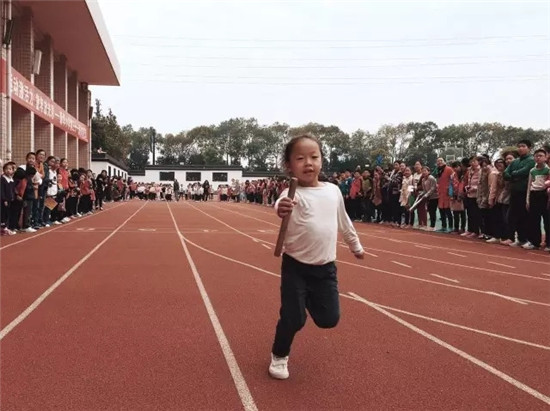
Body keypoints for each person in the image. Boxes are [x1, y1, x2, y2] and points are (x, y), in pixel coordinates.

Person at [269, 133, 365, 380]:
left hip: (325, 269)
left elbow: (344, 221)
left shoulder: (332, 191)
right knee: (293, 318)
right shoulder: (292, 192)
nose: (308, 163)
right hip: (296, 267)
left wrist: (355, 245)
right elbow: (281, 204)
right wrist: (281, 207)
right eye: (300, 158)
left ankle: (307, 301)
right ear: (289, 165)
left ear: (322, 160)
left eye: (314, 157)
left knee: (329, 319)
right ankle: (279, 356)